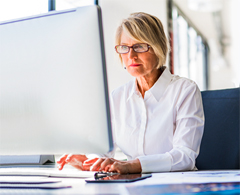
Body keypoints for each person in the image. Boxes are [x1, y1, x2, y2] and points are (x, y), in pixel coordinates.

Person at [57, 12, 204, 174]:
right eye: (124, 48)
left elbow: (185, 156)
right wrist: (89, 160)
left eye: (139, 46)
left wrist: (132, 165)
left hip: (176, 184)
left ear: (158, 47)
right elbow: (103, 150)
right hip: (132, 183)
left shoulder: (185, 90)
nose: (131, 56)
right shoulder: (118, 96)